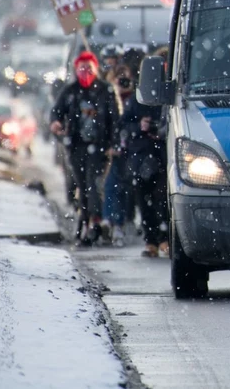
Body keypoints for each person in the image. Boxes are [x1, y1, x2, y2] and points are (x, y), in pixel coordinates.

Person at [50, 52, 120, 246]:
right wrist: (56, 122)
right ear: (76, 69)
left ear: (95, 69)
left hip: (98, 147)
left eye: (89, 68)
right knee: (82, 185)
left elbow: (114, 119)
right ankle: (86, 220)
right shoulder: (71, 91)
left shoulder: (106, 90)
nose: (85, 72)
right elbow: (57, 110)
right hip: (77, 146)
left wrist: (114, 143)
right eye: (82, 68)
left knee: (93, 183)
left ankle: (94, 222)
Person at [121, 59, 169, 258]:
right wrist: (139, 127)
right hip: (140, 156)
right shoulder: (136, 99)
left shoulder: (167, 98)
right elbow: (124, 125)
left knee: (162, 200)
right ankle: (151, 241)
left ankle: (165, 238)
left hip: (162, 155)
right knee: (144, 200)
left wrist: (161, 130)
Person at [101, 65, 133, 247]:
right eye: (117, 78)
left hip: (130, 150)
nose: (121, 82)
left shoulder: (133, 99)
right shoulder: (108, 98)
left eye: (124, 78)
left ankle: (118, 222)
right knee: (110, 185)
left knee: (122, 188)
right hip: (112, 151)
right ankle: (107, 220)